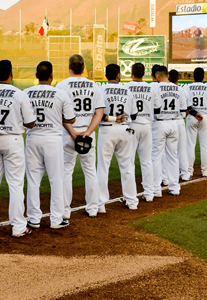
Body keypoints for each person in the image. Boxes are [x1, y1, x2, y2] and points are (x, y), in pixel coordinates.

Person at [0, 60, 36, 237]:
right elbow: (30, 123)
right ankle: (19, 226)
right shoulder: (19, 94)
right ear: (11, 73)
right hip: (13, 140)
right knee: (16, 184)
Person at [24, 61, 75, 229]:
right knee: (56, 179)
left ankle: (33, 218)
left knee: (33, 180)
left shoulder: (26, 93)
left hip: (33, 139)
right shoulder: (60, 93)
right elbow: (71, 119)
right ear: (52, 76)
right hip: (53, 139)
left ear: (36, 76)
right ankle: (56, 219)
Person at [56, 54, 104, 217]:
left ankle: (65, 211)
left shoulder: (61, 86)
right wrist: (88, 133)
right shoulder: (94, 86)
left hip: (68, 133)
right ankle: (92, 208)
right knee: (90, 171)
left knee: (66, 171)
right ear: (84, 68)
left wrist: (73, 132)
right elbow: (99, 113)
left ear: (69, 67)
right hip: (87, 133)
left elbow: (60, 114)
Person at [97, 64, 139, 209]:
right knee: (127, 167)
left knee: (103, 167)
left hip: (107, 130)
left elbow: (97, 114)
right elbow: (134, 114)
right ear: (118, 75)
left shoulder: (100, 90)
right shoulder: (127, 90)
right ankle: (132, 202)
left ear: (105, 75)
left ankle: (100, 204)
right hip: (124, 129)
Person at [151, 66, 188, 196]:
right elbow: (183, 111)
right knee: (173, 156)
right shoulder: (178, 88)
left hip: (159, 123)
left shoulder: (153, 87)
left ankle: (156, 189)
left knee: (156, 156)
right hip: (174, 123)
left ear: (157, 76)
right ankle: (175, 187)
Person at [127, 63, 160, 202]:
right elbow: (157, 110)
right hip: (147, 125)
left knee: (129, 162)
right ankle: (149, 194)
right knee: (146, 161)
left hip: (132, 126)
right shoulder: (151, 88)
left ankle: (130, 196)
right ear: (144, 73)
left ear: (131, 73)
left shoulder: (126, 87)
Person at [185, 67, 207, 177]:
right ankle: (205, 170)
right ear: (203, 76)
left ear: (193, 76)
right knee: (204, 145)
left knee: (190, 145)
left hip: (192, 116)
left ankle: (189, 171)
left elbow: (186, 106)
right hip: (204, 117)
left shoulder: (187, 88)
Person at [168, 69, 190, 181]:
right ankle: (185, 174)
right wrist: (183, 116)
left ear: (168, 77)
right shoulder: (182, 91)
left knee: (168, 151)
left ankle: (168, 176)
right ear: (179, 78)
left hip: (168, 121)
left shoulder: (162, 89)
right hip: (179, 121)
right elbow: (188, 108)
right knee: (182, 149)